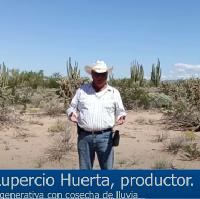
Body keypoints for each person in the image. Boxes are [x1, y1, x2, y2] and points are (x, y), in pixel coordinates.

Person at [67, 60, 126, 169]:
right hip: (84, 137)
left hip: (105, 137)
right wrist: (71, 114)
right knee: (85, 172)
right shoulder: (82, 90)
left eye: (103, 74)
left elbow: (120, 110)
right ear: (92, 74)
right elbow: (72, 107)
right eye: (96, 74)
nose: (99, 77)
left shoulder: (114, 92)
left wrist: (121, 116)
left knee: (107, 171)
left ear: (107, 75)